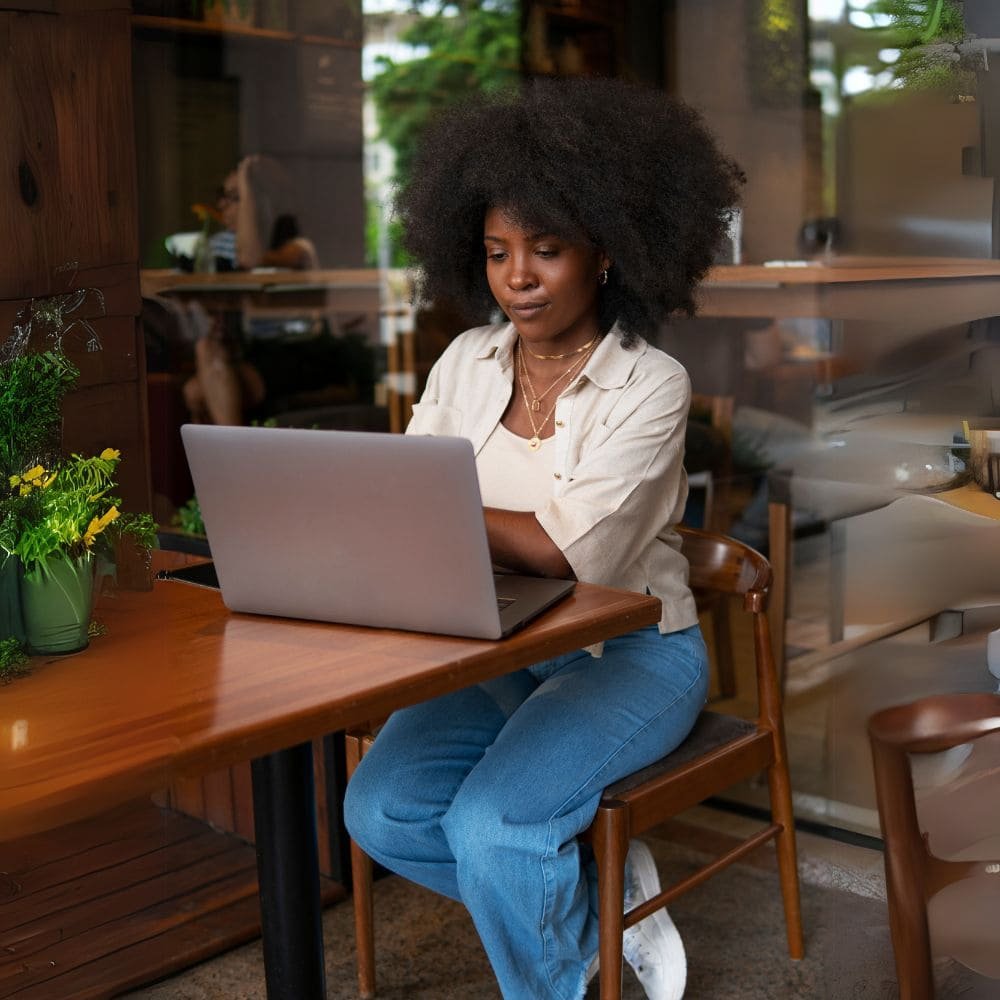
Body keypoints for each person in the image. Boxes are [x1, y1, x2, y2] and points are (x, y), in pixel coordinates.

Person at [343, 76, 743, 1000]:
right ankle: (606, 898)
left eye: (547, 250)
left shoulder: (652, 386)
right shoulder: (463, 362)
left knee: (492, 829)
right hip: (500, 646)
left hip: (631, 654)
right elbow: (410, 508)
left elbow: (571, 554)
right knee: (383, 809)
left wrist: (428, 509)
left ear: (606, 253)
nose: (516, 276)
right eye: (495, 252)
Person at [182, 154, 319, 425]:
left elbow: (250, 259)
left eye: (236, 196)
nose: (222, 204)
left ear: (261, 202)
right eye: (222, 194)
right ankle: (234, 458)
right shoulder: (218, 245)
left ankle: (230, 460)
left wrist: (247, 175)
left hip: (297, 350)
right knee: (197, 376)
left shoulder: (297, 248)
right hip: (251, 353)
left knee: (198, 391)